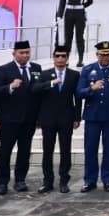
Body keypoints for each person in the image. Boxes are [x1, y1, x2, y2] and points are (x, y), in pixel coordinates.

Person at [0, 40, 43, 194]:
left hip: (29, 119)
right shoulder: (4, 70)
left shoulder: (36, 68)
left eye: (27, 52)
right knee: (5, 151)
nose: (25, 55)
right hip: (9, 119)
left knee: (24, 150)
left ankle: (20, 180)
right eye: (21, 53)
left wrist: (38, 118)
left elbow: (39, 93)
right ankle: (2, 182)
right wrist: (10, 87)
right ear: (14, 54)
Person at [77, 41, 109, 192]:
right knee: (90, 149)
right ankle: (90, 180)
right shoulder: (87, 70)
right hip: (92, 116)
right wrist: (91, 89)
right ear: (97, 55)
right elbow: (79, 92)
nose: (105, 57)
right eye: (102, 54)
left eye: (108, 54)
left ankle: (108, 179)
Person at [33, 46, 80, 194]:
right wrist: (50, 83)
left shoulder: (73, 75)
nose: (60, 59)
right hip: (48, 118)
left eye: (63, 56)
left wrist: (77, 117)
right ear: (53, 58)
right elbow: (35, 90)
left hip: (66, 117)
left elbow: (77, 98)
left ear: (67, 58)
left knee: (65, 150)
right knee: (48, 151)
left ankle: (64, 181)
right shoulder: (46, 74)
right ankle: (47, 181)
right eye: (57, 56)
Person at [56, 0, 93, 67]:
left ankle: (80, 60)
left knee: (79, 37)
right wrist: (59, 15)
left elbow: (90, 1)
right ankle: (66, 59)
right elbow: (62, 2)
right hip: (68, 13)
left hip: (79, 13)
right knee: (68, 37)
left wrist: (82, 6)